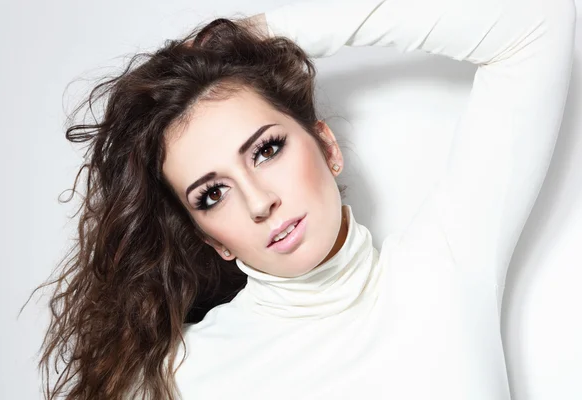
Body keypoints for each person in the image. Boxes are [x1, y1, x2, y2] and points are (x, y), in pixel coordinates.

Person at [30, 0, 576, 398]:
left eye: (267, 150)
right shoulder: (179, 376)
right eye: (213, 193)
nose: (259, 200)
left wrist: (252, 35)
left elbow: (536, 21)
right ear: (208, 239)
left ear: (327, 146)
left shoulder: (446, 269)